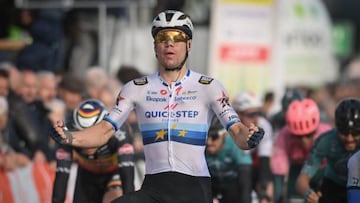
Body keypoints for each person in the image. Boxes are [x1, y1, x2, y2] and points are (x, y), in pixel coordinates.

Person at [50, 10, 265, 203]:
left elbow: (237, 130)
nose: (169, 43)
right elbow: (105, 130)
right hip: (154, 186)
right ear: (155, 46)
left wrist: (249, 137)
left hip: (194, 189)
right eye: (163, 37)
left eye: (177, 37)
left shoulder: (208, 87)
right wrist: (71, 137)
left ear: (189, 45)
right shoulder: (135, 88)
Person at [52, 99, 135, 203]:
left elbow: (127, 177)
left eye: (93, 135)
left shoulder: (119, 131)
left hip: (114, 173)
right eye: (82, 135)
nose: (88, 143)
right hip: (87, 175)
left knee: (114, 198)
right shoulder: (66, 133)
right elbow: (61, 177)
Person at [296, 98, 360, 203]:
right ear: (337, 128)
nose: (349, 138)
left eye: (355, 133)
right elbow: (302, 180)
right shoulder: (326, 140)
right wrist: (308, 194)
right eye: (344, 132)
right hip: (333, 188)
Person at [271, 98, 332, 203]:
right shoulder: (284, 135)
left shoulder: (327, 134)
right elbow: (279, 172)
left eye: (309, 135)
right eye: (298, 136)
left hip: (323, 171)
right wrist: (278, 197)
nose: (304, 141)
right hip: (297, 169)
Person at [231, 91, 274, 203]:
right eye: (250, 115)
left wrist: (264, 193)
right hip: (231, 169)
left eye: (258, 113)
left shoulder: (263, 125)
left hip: (252, 169)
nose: (255, 119)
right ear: (237, 114)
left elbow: (265, 159)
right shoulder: (229, 126)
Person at [205, 116, 253, 203]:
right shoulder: (201, 145)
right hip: (213, 183)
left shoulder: (234, 144)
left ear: (224, 135)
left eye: (214, 136)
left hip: (234, 184)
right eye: (206, 136)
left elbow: (245, 178)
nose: (209, 142)